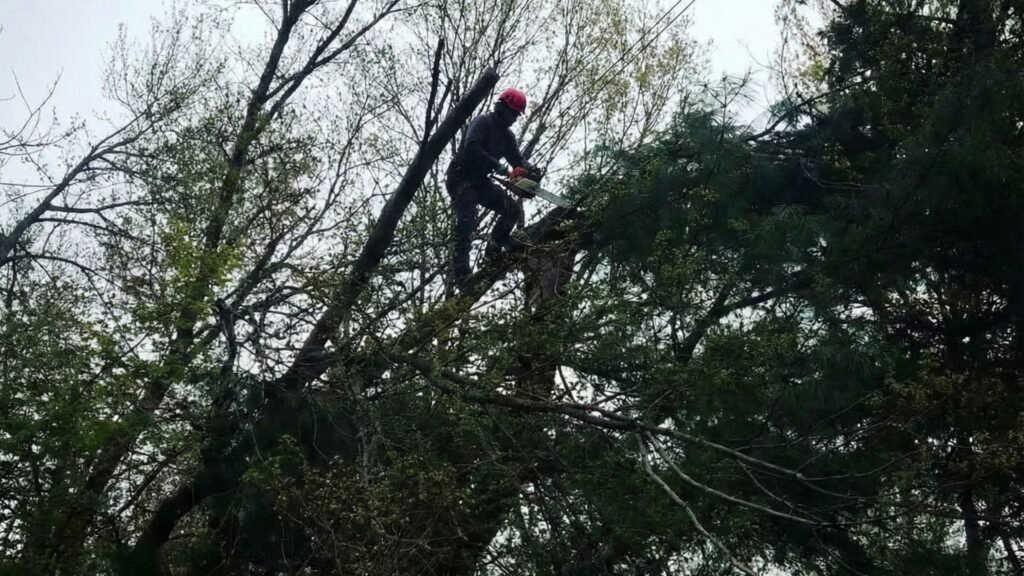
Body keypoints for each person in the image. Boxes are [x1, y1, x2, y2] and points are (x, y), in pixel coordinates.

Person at [445, 87, 539, 295]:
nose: (514, 118)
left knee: (512, 209)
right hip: (461, 178)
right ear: (502, 107)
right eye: (512, 113)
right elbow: (472, 146)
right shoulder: (483, 122)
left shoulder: (507, 137)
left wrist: (530, 170)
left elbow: (517, 159)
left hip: (479, 182)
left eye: (517, 115)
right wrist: (499, 167)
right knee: (465, 224)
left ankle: (494, 248)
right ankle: (463, 278)